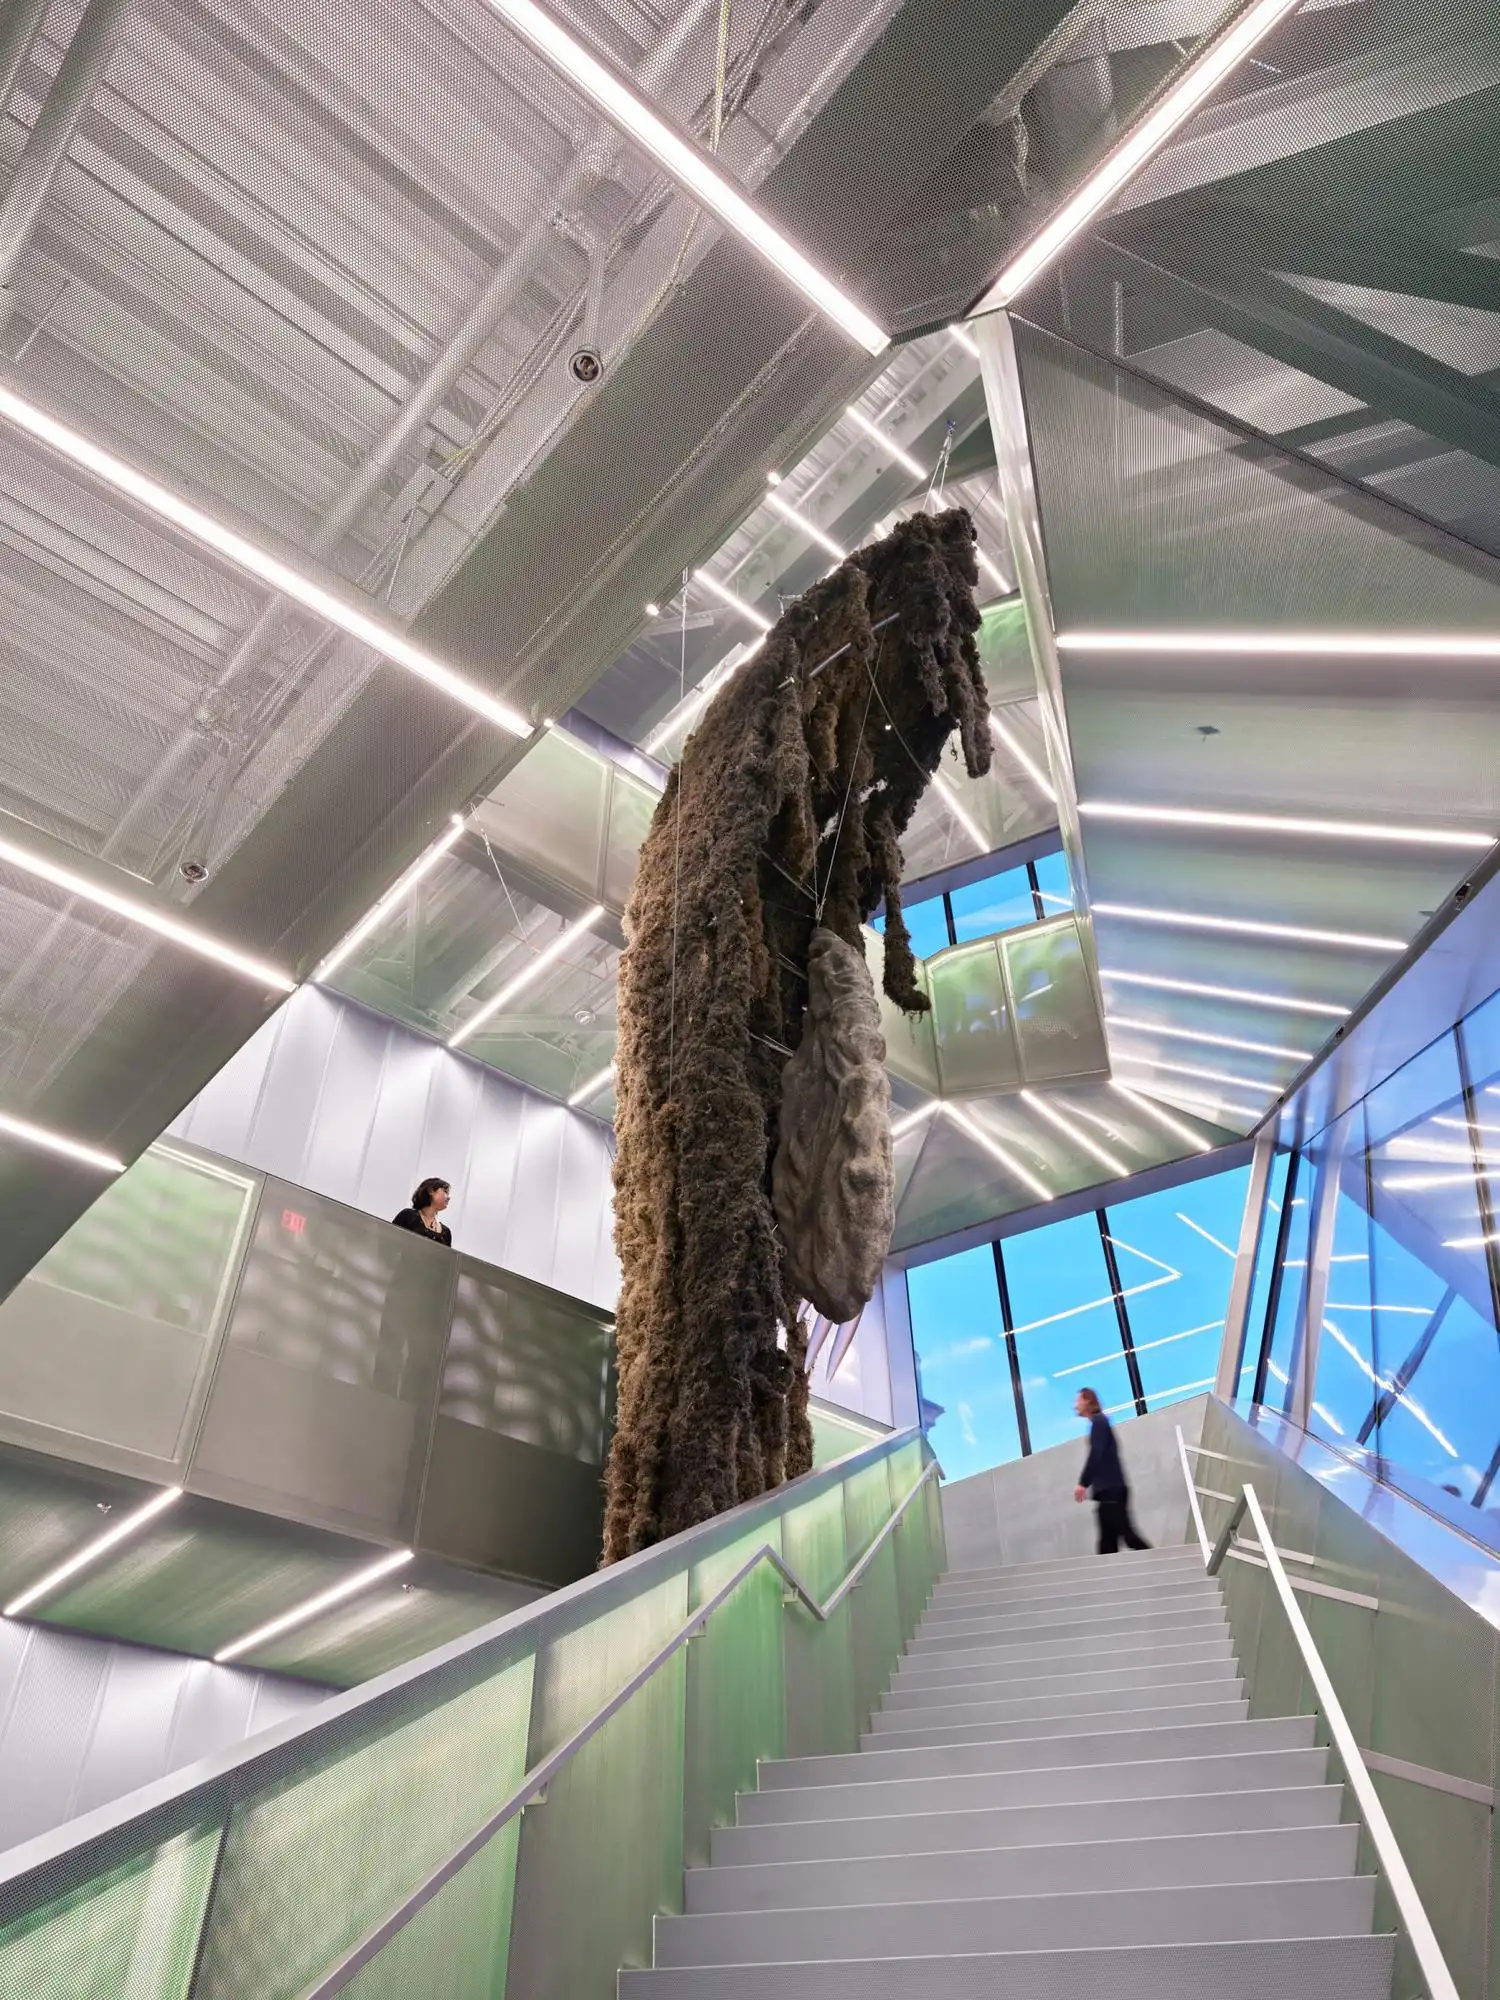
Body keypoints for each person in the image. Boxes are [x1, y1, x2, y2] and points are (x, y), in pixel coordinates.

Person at [1073, 1386, 1150, 1554]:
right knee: (1108, 1544)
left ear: (1087, 1400)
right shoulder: (1099, 1423)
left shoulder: (1099, 1422)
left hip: (1112, 1491)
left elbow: (1096, 1454)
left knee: (1126, 1537)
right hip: (1108, 1492)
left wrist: (1082, 1483)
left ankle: (1161, 1563)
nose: (1075, 1405)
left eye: (1078, 1400)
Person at [391, 1176, 453, 1246]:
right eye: (445, 1191)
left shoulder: (446, 1232)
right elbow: (389, 1241)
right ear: (431, 1191)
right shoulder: (408, 1216)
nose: (449, 1197)